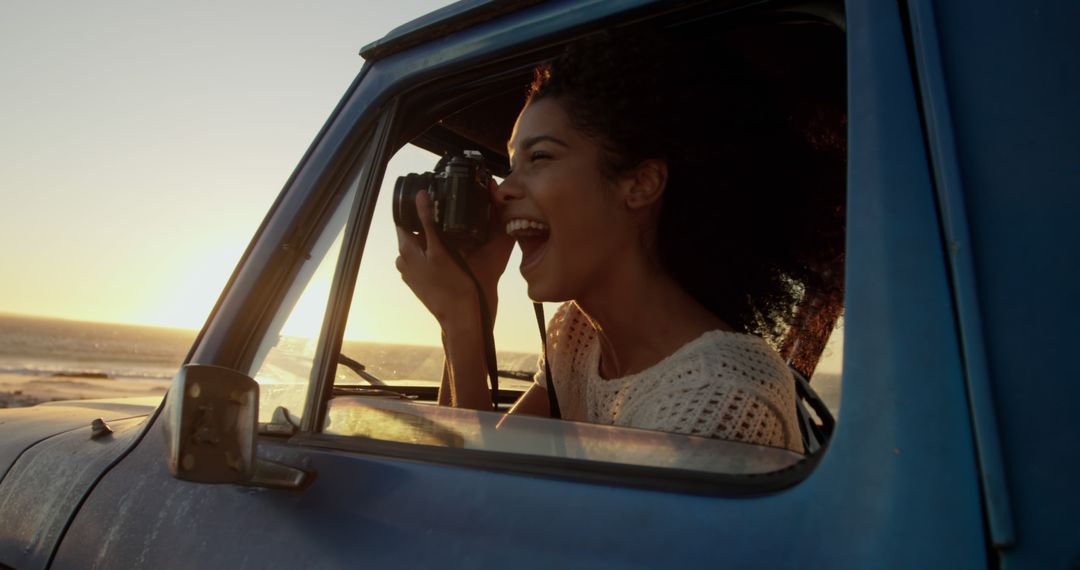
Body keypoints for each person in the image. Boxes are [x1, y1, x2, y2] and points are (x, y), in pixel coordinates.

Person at [395, 32, 845, 454]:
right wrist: (473, 304)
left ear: (640, 184)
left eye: (540, 157)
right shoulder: (578, 336)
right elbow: (485, 462)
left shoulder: (719, 398)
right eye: (511, 164)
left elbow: (471, 514)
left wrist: (460, 320)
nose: (504, 189)